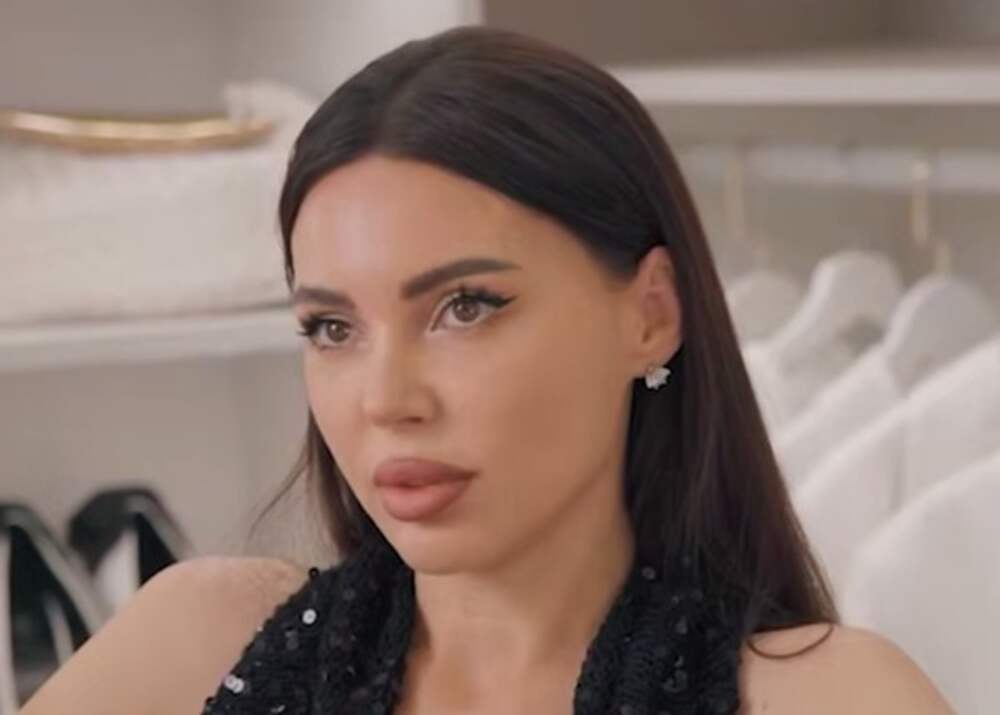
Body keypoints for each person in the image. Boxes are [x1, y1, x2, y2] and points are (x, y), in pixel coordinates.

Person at [21, 25, 955, 715]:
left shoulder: (828, 696)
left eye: (465, 307)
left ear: (650, 315)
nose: (386, 400)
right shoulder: (193, 646)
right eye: (332, 327)